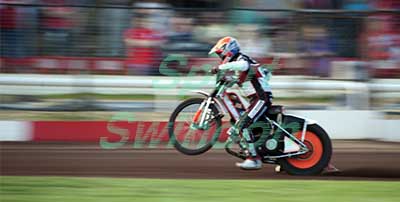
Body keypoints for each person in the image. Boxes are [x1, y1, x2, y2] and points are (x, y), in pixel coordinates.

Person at [209, 36, 273, 170]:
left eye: (220, 53)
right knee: (244, 123)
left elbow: (244, 65)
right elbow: (263, 74)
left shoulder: (242, 60)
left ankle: (254, 159)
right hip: (256, 99)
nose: (220, 57)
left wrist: (221, 67)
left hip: (261, 99)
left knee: (243, 125)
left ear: (228, 50)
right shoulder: (240, 66)